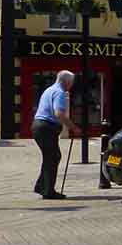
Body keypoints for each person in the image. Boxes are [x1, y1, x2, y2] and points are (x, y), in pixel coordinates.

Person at [33, 70, 79, 199]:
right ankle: (48, 191)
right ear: (67, 82)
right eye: (71, 83)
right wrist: (73, 127)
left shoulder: (50, 89)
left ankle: (42, 186)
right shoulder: (59, 93)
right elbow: (59, 113)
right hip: (46, 127)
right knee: (53, 157)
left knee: (51, 157)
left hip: (39, 126)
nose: (72, 85)